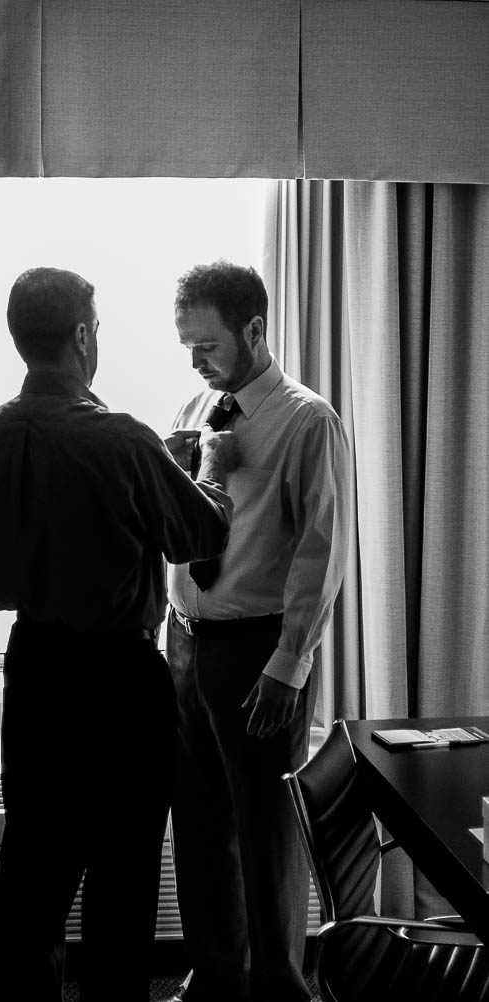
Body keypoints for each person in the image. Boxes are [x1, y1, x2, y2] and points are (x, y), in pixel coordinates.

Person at [0, 268, 236, 1002]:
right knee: (122, 880)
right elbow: (200, 531)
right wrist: (201, 465)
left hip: (36, 674)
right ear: (85, 335)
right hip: (120, 682)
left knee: (33, 872)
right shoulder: (122, 440)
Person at [162, 262, 353, 1002]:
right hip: (187, 643)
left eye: (207, 344)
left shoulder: (309, 421)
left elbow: (322, 550)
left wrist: (289, 663)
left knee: (265, 833)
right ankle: (214, 978)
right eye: (187, 344)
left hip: (257, 649)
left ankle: (277, 987)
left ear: (254, 329)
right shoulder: (194, 404)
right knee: (200, 825)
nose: (195, 360)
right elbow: (184, 525)